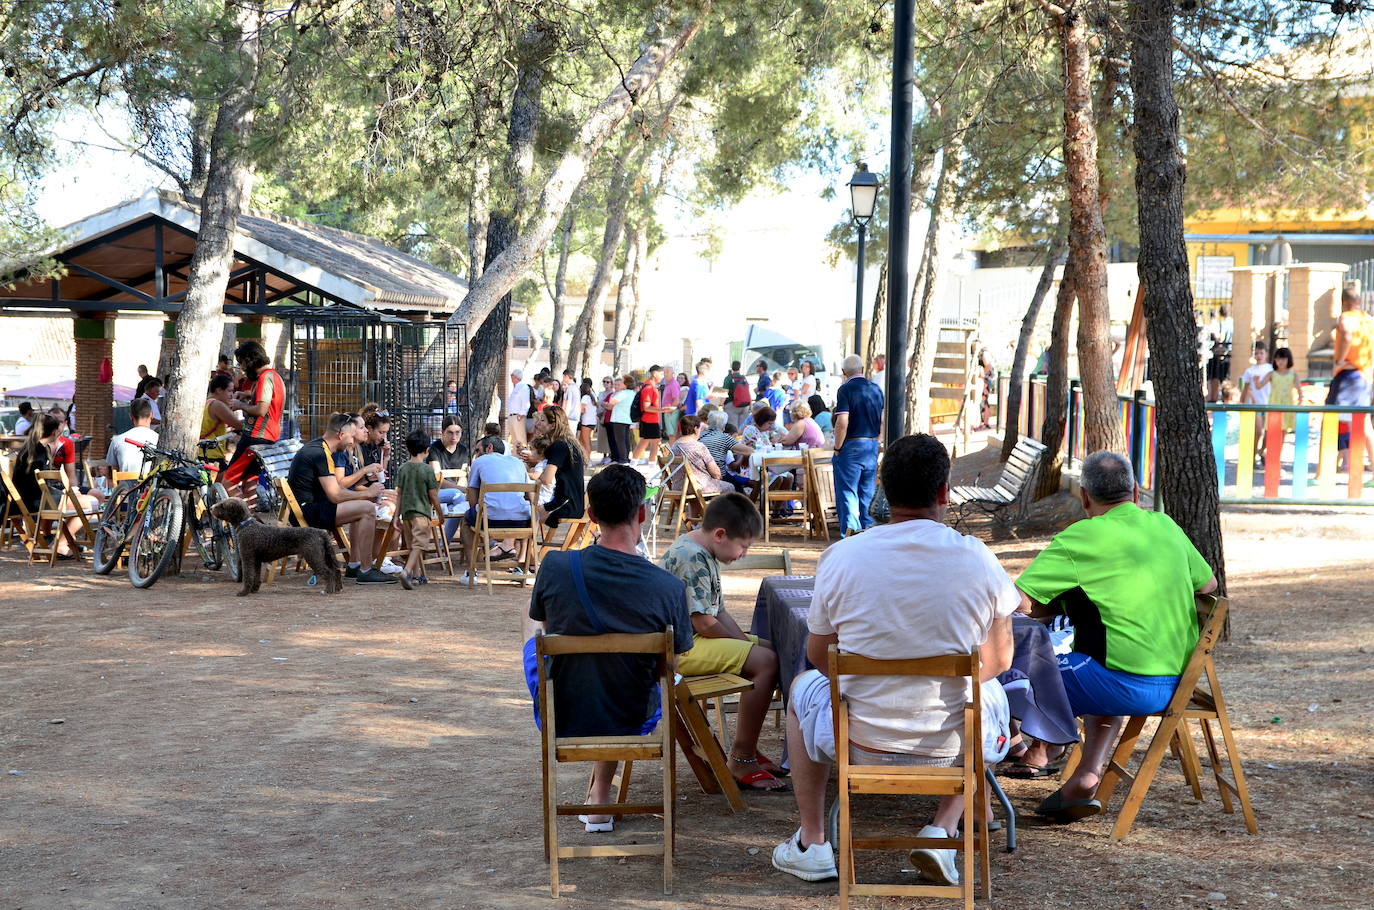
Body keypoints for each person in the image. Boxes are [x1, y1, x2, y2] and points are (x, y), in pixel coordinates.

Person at [770, 434, 1017, 884]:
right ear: (944, 492)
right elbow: (998, 659)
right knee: (989, 692)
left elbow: (819, 655)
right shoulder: (978, 559)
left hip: (858, 742)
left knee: (802, 687)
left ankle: (812, 841)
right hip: (951, 744)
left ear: (883, 489)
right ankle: (942, 829)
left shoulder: (842, 556)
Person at [1015, 451, 1216, 823]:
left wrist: (1060, 604)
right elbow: (1208, 585)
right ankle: (1087, 772)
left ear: (1084, 496)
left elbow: (1020, 603)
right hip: (1177, 683)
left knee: (1008, 674)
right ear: (1135, 492)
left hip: (1120, 685)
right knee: (1093, 655)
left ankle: (1020, 756)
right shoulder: (1166, 525)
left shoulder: (1082, 536)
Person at [524, 464, 694, 832]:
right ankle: (601, 792)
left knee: (534, 625)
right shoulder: (668, 588)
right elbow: (672, 664)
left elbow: (545, 627)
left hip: (563, 710)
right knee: (629, 672)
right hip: (632, 713)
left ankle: (599, 793)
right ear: (642, 513)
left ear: (591, 515)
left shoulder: (555, 566)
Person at [659, 493, 787, 791]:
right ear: (720, 534)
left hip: (691, 640)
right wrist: (747, 650)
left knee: (769, 650)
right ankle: (741, 758)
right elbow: (703, 623)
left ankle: (748, 746)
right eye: (743, 546)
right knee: (766, 662)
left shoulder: (703, 551)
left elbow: (719, 613)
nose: (744, 553)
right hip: (678, 649)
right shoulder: (691, 557)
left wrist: (746, 646)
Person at [286, 412, 394, 585]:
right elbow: (335, 495)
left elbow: (337, 489)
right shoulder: (320, 453)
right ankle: (366, 570)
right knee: (367, 509)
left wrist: (364, 490)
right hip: (308, 511)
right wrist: (367, 493)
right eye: (351, 437)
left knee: (361, 505)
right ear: (341, 435)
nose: (352, 442)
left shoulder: (320, 448)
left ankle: (355, 565)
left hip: (311, 506)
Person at [458, 434, 535, 581]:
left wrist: (476, 514)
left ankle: (471, 571)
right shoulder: (518, 463)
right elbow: (529, 497)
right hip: (521, 522)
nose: (476, 454)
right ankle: (521, 566)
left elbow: (472, 493)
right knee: (528, 514)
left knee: (466, 522)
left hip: (490, 520)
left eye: (478, 450)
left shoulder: (479, 461)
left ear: (489, 448)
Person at [221, 340, 286, 500]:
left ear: (250, 360)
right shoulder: (274, 376)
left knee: (228, 483)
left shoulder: (265, 378)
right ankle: (252, 513)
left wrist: (240, 405)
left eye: (242, 363)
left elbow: (261, 410)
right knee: (250, 481)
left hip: (255, 437)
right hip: (269, 437)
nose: (242, 368)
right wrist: (247, 395)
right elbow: (270, 402)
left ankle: (244, 514)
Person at [832, 354, 884, 534]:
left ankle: (850, 534)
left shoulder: (845, 390)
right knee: (867, 491)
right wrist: (878, 440)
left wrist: (837, 447)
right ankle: (868, 532)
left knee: (848, 493)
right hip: (871, 445)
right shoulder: (876, 389)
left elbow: (842, 422)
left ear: (843, 372)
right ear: (862, 369)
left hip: (851, 445)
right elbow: (883, 419)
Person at [1327, 286, 1374, 473]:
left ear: (1343, 302)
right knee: (1364, 423)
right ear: (1359, 302)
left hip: (1348, 374)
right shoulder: (1368, 320)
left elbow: (1346, 334)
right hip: (1364, 374)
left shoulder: (1346, 317)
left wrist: (1339, 361)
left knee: (1330, 418)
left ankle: (1323, 472)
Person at [394, 429, 441, 590]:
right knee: (419, 544)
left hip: (406, 514)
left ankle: (416, 575)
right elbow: (433, 495)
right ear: (427, 450)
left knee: (412, 546)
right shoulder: (427, 470)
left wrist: (396, 517)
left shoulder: (403, 468)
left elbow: (399, 494)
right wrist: (440, 514)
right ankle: (406, 571)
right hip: (422, 513)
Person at [528, 406, 586, 529]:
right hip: (574, 502)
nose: (538, 423)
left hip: (564, 505)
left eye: (542, 420)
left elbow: (546, 479)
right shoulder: (569, 443)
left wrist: (533, 472)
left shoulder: (559, 446)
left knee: (525, 516)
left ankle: (514, 542)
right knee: (527, 511)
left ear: (552, 425)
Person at [669, 415, 729, 495]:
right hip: (698, 487)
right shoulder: (698, 447)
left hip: (678, 487)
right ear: (696, 429)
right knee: (730, 487)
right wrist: (718, 477)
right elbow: (715, 473)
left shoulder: (674, 446)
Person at [700, 409, 754, 492]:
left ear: (708, 422)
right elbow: (749, 451)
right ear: (724, 426)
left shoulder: (699, 435)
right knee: (750, 484)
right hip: (718, 477)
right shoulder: (724, 437)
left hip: (701, 476)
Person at [107, 398, 159, 474]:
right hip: (152, 481)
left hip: (125, 482)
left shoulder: (117, 440)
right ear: (152, 414)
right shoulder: (159, 439)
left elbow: (114, 470)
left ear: (130, 416)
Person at [1254, 346, 1297, 435]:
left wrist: (1299, 402)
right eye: (1278, 359)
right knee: (1271, 428)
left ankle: (1281, 444)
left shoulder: (1293, 374)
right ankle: (1268, 444)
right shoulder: (1272, 374)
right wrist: (1256, 381)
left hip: (1287, 404)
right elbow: (1259, 386)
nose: (1280, 361)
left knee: (1284, 428)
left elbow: (1299, 390)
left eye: (1283, 359)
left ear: (1288, 359)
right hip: (1274, 403)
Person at [200, 374, 243, 460]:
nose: (232, 395)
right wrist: (242, 406)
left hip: (204, 452)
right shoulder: (217, 404)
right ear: (219, 390)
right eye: (229, 391)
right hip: (211, 455)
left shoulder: (207, 402)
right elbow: (239, 425)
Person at [631, 365, 667, 462]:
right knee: (654, 444)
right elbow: (646, 407)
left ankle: (634, 464)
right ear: (655, 374)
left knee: (644, 443)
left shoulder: (648, 386)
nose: (662, 376)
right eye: (661, 374)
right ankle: (651, 466)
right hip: (650, 420)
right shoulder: (649, 388)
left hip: (648, 419)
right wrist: (662, 410)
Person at [1205, 305, 1234, 403]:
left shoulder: (1223, 324)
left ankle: (1215, 398)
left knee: (1218, 377)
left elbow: (1221, 338)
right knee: (1227, 376)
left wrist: (1215, 337)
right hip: (1230, 352)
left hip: (1221, 353)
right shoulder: (1233, 323)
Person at [506, 370, 532, 446]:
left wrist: (522, 414)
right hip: (512, 416)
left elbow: (526, 402)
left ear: (515, 377)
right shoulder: (515, 388)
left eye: (512, 376)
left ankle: (522, 453)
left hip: (518, 416)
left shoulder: (523, 387)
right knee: (514, 441)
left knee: (520, 440)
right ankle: (515, 453)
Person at [723, 361, 750, 429]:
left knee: (733, 428)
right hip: (745, 405)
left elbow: (725, 393)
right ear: (739, 367)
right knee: (742, 428)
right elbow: (747, 391)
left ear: (731, 367)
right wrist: (750, 405)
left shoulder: (729, 378)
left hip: (732, 404)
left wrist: (721, 404)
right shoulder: (743, 378)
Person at [576, 377, 598, 459]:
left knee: (586, 442)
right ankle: (586, 458)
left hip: (586, 421)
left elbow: (582, 410)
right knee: (587, 440)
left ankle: (588, 459)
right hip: (592, 421)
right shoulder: (593, 396)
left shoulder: (585, 397)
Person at [660, 366, 683, 441]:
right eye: (664, 372)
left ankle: (673, 449)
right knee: (671, 435)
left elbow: (676, 400)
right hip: (669, 411)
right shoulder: (668, 383)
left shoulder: (673, 384)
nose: (665, 374)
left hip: (671, 412)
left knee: (672, 435)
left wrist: (670, 411)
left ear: (673, 373)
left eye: (667, 372)